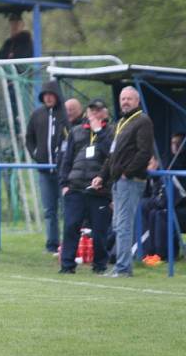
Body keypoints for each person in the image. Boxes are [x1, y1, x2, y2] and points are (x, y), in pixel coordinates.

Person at [91, 86, 154, 277]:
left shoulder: (143, 121)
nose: (125, 102)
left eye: (129, 99)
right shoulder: (121, 122)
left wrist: (127, 172)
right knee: (119, 225)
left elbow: (144, 152)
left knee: (124, 225)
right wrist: (102, 175)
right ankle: (121, 265)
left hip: (130, 180)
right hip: (118, 181)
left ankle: (123, 268)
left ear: (137, 101)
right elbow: (112, 155)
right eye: (122, 98)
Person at [58, 99, 113, 274]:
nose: (94, 114)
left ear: (105, 113)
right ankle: (67, 265)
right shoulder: (76, 132)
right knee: (71, 226)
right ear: (87, 113)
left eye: (98, 111)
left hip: (99, 190)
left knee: (99, 231)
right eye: (92, 111)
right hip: (75, 188)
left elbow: (111, 155)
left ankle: (100, 265)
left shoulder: (111, 132)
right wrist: (64, 184)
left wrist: (100, 132)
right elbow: (66, 159)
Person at [26, 80, 68, 253]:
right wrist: (36, 155)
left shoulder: (64, 115)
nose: (49, 98)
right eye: (46, 95)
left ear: (57, 96)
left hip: (62, 172)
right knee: (49, 210)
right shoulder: (37, 115)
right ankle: (51, 245)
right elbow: (29, 138)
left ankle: (68, 245)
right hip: (44, 171)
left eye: (51, 95)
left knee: (66, 210)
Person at [140, 132, 186, 266]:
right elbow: (157, 192)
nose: (173, 146)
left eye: (176, 143)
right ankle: (152, 254)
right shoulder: (168, 163)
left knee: (162, 213)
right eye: (172, 142)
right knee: (154, 211)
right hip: (171, 206)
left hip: (180, 208)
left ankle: (164, 255)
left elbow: (177, 193)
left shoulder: (178, 165)